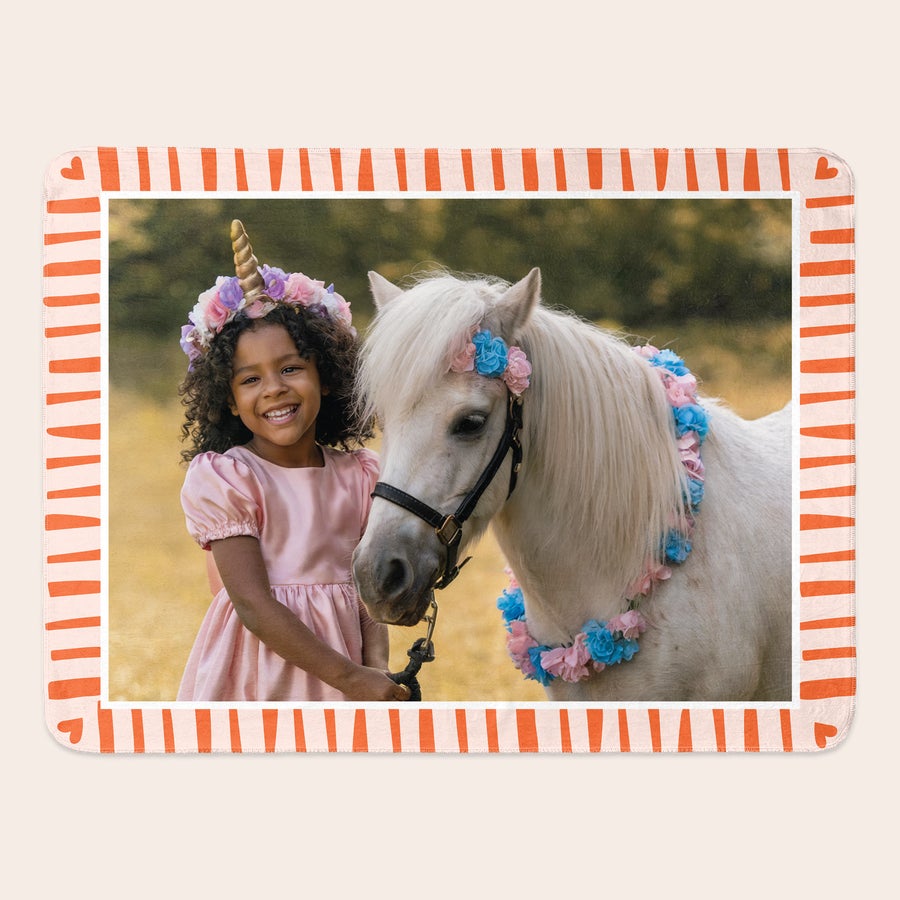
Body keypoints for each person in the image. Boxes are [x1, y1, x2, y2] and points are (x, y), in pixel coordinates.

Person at [175, 220, 410, 702]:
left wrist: (376, 671)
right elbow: (252, 604)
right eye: (250, 379)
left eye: (290, 368)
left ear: (325, 376)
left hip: (347, 672)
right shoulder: (229, 479)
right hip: (259, 674)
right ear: (228, 399)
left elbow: (365, 598)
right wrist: (350, 678)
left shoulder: (360, 474)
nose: (274, 389)